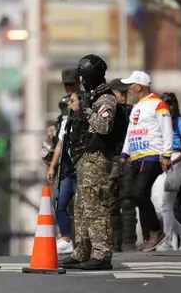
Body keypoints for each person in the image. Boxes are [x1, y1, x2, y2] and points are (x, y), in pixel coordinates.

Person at [60, 54, 117, 271]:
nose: (82, 81)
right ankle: (82, 251)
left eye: (84, 77)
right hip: (85, 159)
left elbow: (104, 127)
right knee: (81, 207)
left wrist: (85, 109)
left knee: (95, 206)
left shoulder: (105, 99)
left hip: (98, 159)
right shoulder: (92, 98)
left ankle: (101, 253)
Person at [118, 71, 172, 251]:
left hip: (151, 156)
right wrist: (124, 154)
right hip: (136, 157)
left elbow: (166, 130)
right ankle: (150, 235)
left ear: (139, 86)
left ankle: (157, 231)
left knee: (139, 194)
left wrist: (166, 155)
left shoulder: (158, 104)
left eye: (131, 85)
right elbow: (130, 132)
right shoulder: (137, 106)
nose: (129, 89)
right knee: (139, 196)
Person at [153, 92, 181, 251]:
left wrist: (173, 161)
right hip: (163, 161)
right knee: (158, 204)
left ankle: (166, 241)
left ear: (173, 106)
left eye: (168, 104)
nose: (166, 107)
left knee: (166, 205)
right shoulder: (160, 123)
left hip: (176, 161)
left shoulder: (180, 123)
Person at [47, 91, 85, 255]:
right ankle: (66, 239)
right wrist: (53, 166)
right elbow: (60, 144)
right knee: (59, 202)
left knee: (83, 206)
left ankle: (85, 241)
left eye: (73, 101)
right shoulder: (67, 121)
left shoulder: (87, 119)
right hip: (67, 167)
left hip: (83, 167)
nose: (70, 104)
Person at [107, 78, 136, 252]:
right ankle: (115, 243)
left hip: (127, 159)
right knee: (111, 203)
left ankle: (129, 242)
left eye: (125, 93)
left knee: (128, 201)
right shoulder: (106, 112)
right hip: (110, 160)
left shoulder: (132, 112)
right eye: (120, 92)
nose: (124, 96)